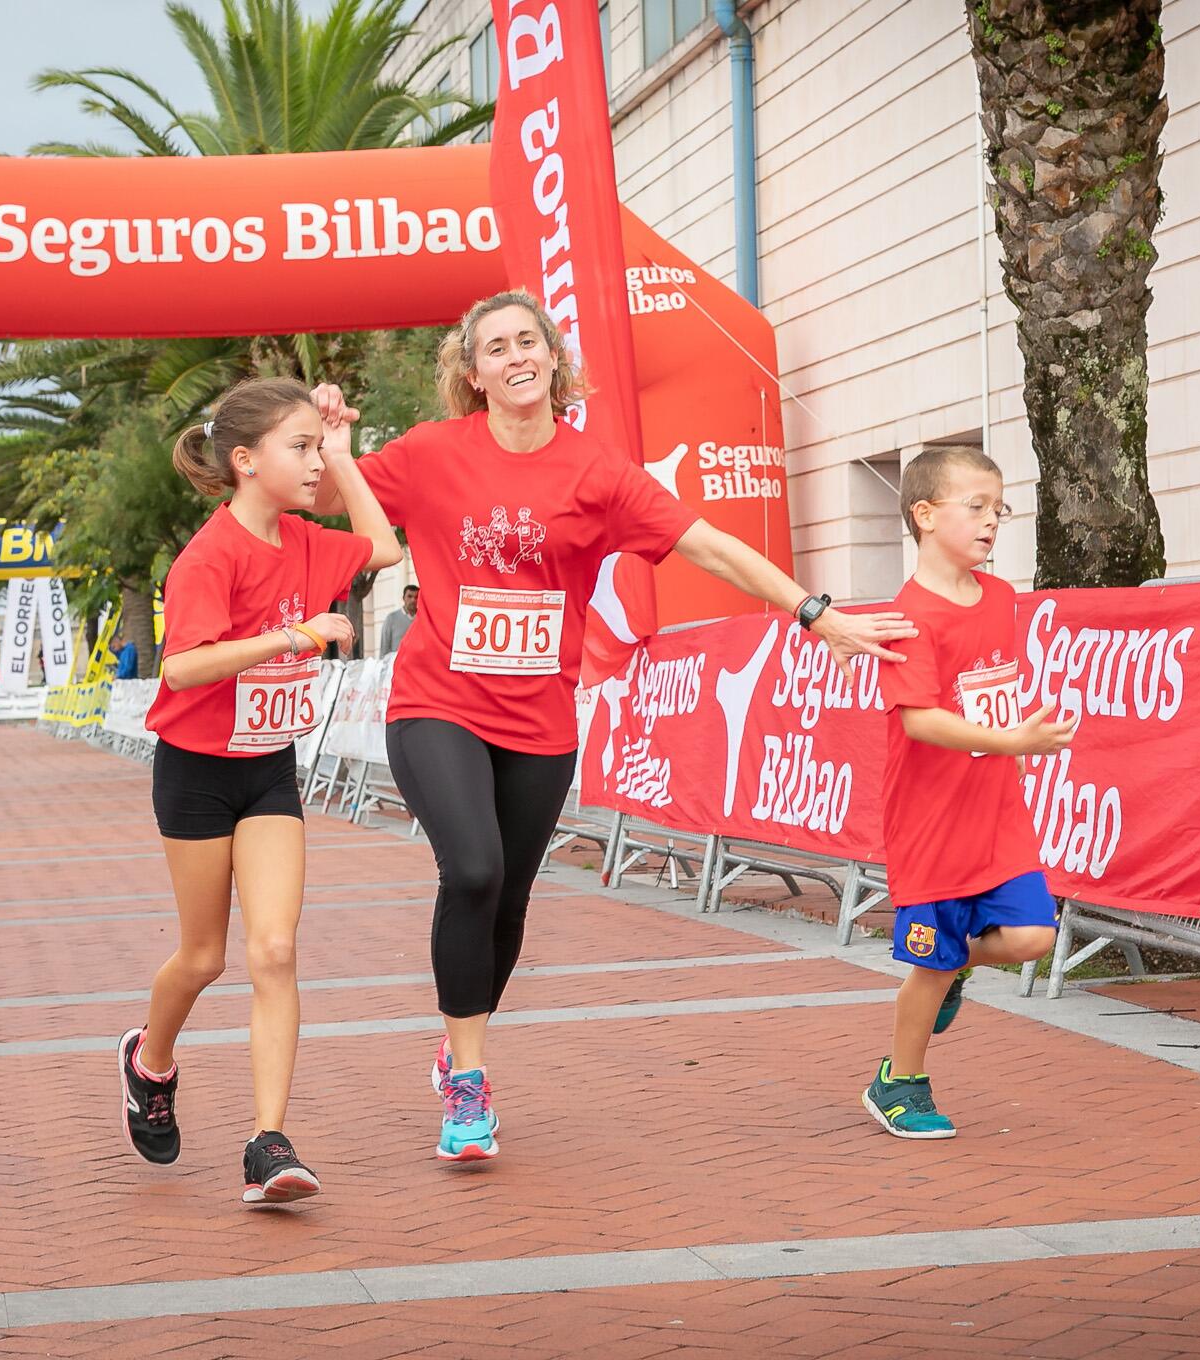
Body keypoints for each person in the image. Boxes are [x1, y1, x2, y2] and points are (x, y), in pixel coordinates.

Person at [307, 290, 914, 1162]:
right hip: (437, 700)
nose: (516, 356)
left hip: (540, 717)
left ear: (552, 358)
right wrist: (332, 447)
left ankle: (454, 1048)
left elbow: (711, 547)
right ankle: (470, 1085)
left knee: (509, 900)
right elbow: (335, 498)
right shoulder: (435, 452)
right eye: (495, 348)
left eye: (529, 341)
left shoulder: (598, 473)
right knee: (472, 870)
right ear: (472, 375)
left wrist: (812, 610)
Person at [116, 376, 398, 1206]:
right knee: (203, 956)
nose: (314, 463)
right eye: (301, 448)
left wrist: (347, 458)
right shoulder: (208, 557)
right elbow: (181, 666)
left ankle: (267, 1142)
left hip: (268, 768)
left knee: (274, 949)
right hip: (198, 773)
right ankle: (149, 1062)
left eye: (319, 446)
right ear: (246, 461)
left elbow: (381, 546)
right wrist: (293, 634)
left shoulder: (311, 542)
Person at [861, 448, 1077, 1140]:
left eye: (998, 508)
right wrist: (1012, 741)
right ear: (924, 515)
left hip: (996, 816)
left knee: (1032, 935)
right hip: (929, 824)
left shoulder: (1004, 597)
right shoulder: (907, 617)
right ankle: (899, 1080)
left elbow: (987, 686)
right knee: (930, 959)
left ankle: (958, 967)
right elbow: (921, 720)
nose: (991, 522)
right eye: (975, 507)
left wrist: (1009, 748)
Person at [378, 583, 418, 655]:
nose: (413, 600)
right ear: (403, 598)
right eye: (409, 596)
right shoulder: (391, 619)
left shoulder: (423, 619)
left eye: (416, 597)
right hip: (396, 663)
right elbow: (384, 647)